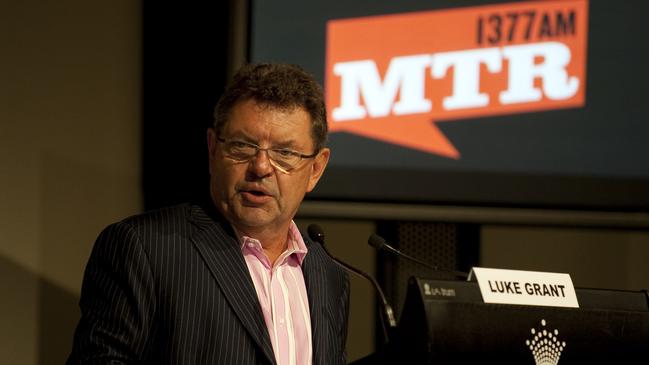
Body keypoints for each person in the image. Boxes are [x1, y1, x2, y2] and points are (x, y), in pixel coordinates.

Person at [67, 63, 350, 365]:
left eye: (285, 153)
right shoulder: (144, 248)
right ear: (213, 150)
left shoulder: (330, 276)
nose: (261, 167)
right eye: (243, 146)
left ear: (316, 169)